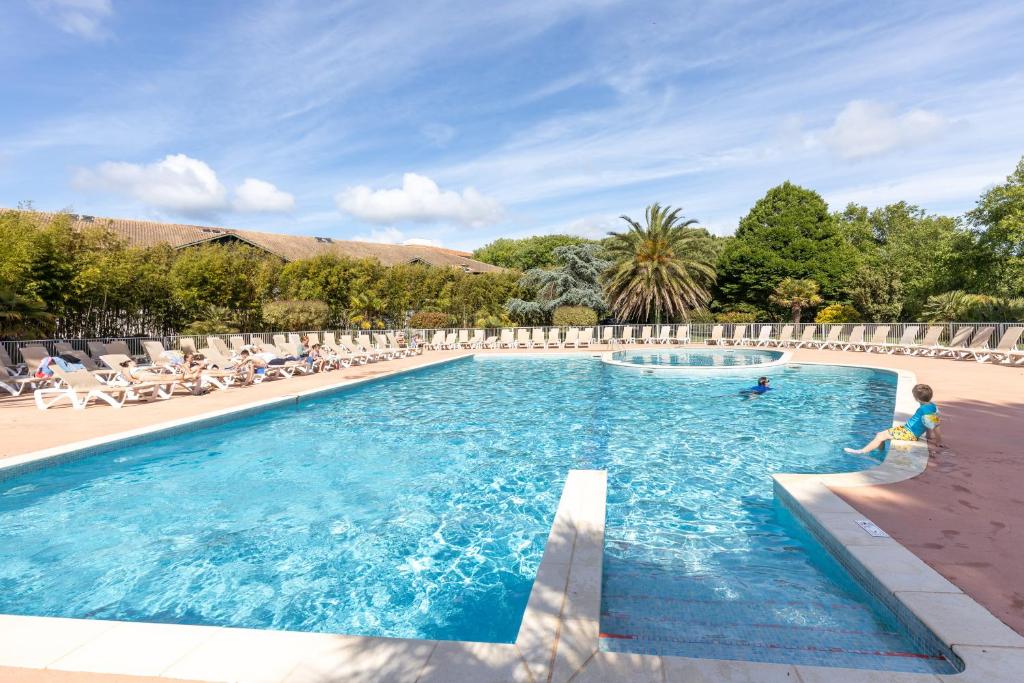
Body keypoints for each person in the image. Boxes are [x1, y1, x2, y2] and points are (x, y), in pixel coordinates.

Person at [845, 383, 944, 454]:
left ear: (916, 398)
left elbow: (936, 426)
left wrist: (938, 442)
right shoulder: (931, 406)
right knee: (882, 435)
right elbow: (929, 423)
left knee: (880, 436)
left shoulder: (924, 410)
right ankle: (879, 453)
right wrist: (929, 436)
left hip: (909, 433)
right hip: (908, 431)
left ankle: (861, 451)